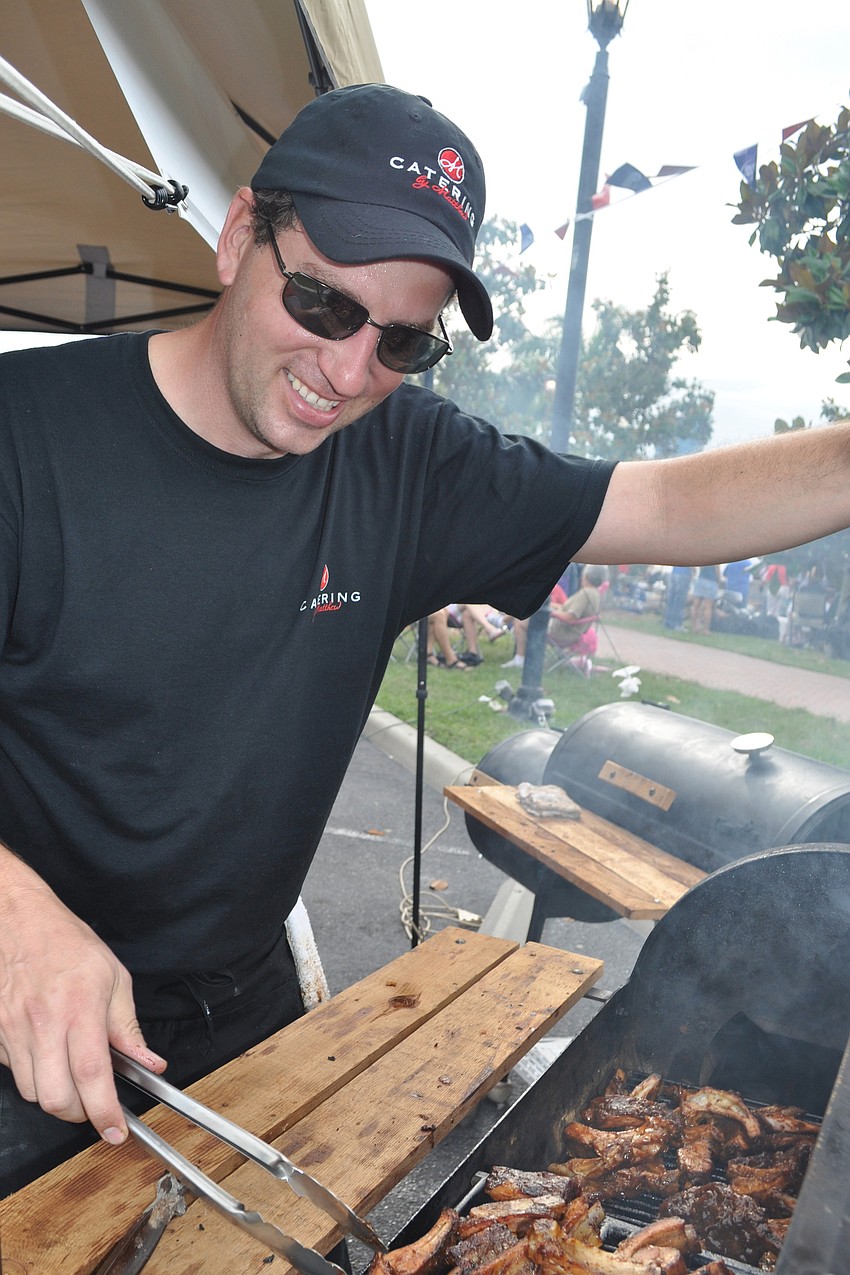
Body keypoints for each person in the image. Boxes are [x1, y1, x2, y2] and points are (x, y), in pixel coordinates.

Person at [1, 83, 849, 1198]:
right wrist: (16, 917)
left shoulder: (409, 462)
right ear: (238, 234)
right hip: (21, 1017)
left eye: (403, 341)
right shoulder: (26, 434)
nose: (348, 375)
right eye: (321, 303)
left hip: (242, 1016)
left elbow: (669, 508)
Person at [690, 564, 722, 634]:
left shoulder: (704, 556)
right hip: (711, 581)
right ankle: (706, 630)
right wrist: (719, 581)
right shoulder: (717, 557)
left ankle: (694, 627)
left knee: (695, 605)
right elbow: (717, 571)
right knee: (708, 607)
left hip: (701, 580)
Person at [664, 565, 693, 631]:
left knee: (672, 600)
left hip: (675, 572)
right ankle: (677, 624)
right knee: (680, 601)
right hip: (684, 573)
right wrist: (693, 570)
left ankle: (668, 622)